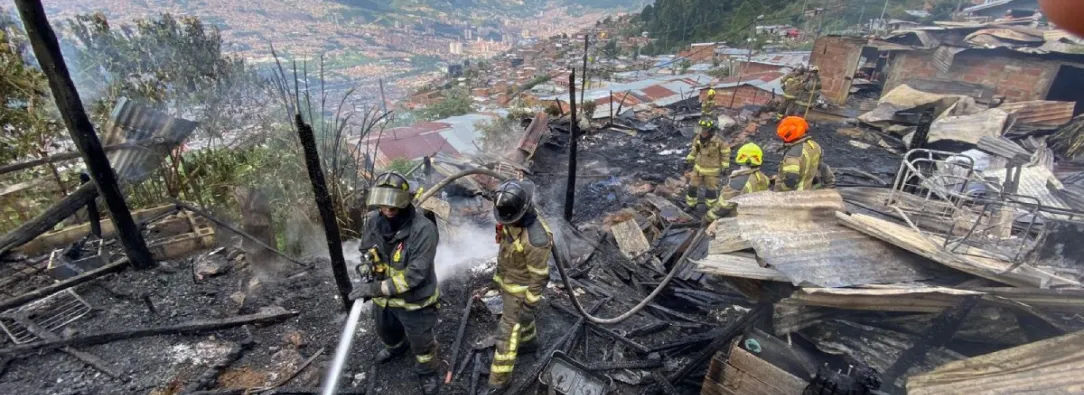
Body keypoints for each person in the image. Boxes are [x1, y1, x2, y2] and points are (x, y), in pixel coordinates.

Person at [350, 172, 441, 395]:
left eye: (393, 207)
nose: (387, 211)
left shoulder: (424, 229)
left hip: (414, 302)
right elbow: (365, 249)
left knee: (422, 343)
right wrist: (367, 266)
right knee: (386, 332)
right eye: (383, 206)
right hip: (385, 300)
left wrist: (375, 289)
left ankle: (428, 371)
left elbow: (416, 274)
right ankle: (397, 347)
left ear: (404, 202)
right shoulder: (373, 221)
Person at [487, 180, 553, 393]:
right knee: (522, 323)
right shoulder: (513, 216)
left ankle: (499, 381)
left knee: (506, 333)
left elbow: (540, 278)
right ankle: (528, 343)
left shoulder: (535, 240)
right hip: (508, 280)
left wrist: (528, 306)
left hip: (520, 291)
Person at [704, 142, 771, 223]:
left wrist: (708, 217)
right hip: (757, 216)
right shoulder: (763, 178)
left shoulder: (739, 181)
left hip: (739, 218)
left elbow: (724, 205)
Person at [774, 116, 835, 192]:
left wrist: (779, 193)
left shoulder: (793, 156)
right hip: (808, 190)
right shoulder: (814, 145)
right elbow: (822, 166)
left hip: (795, 196)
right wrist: (830, 185)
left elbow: (790, 181)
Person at [685, 117, 731, 208]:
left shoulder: (718, 140)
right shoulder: (698, 138)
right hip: (698, 169)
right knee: (692, 187)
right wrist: (688, 160)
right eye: (701, 128)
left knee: (711, 191)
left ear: (710, 129)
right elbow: (694, 151)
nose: (702, 131)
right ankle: (691, 205)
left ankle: (710, 207)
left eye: (704, 129)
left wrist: (725, 167)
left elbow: (725, 153)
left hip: (712, 171)